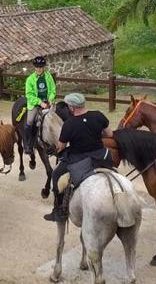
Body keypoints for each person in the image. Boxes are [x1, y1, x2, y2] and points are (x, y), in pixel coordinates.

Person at [44, 93, 112, 222]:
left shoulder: (69, 124)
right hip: (101, 156)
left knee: (56, 175)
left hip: (79, 159)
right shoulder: (98, 115)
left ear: (72, 107)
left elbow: (61, 146)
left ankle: (58, 211)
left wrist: (54, 149)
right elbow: (109, 133)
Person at [23, 56, 56, 153]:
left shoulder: (48, 76)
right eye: (37, 67)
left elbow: (53, 89)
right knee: (29, 122)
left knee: (57, 118)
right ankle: (28, 145)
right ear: (34, 68)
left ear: (43, 67)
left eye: (41, 67)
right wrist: (40, 103)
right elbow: (29, 95)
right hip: (34, 104)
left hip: (47, 102)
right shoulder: (30, 79)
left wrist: (50, 99)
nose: (39, 69)